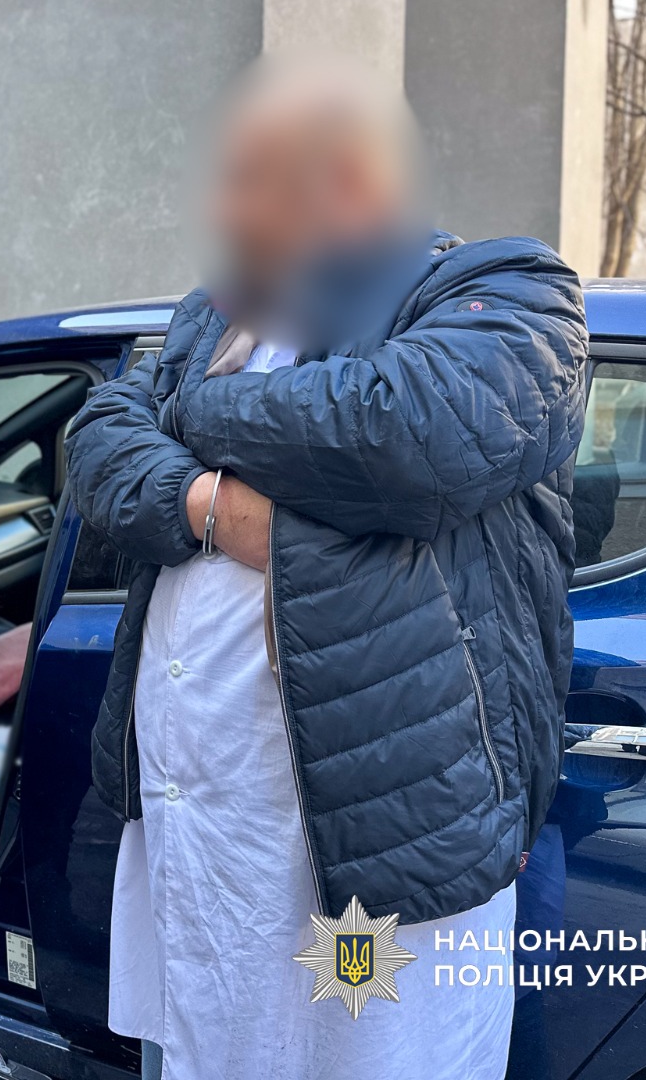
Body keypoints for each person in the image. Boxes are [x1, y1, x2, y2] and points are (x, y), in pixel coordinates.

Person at [65, 59, 588, 1079]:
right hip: (204, 836)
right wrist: (213, 510)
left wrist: (183, 418)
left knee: (367, 1057)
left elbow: (409, 433)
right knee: (207, 1051)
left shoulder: (503, 291)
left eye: (250, 179)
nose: (222, 208)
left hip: (370, 852)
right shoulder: (214, 314)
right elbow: (96, 440)